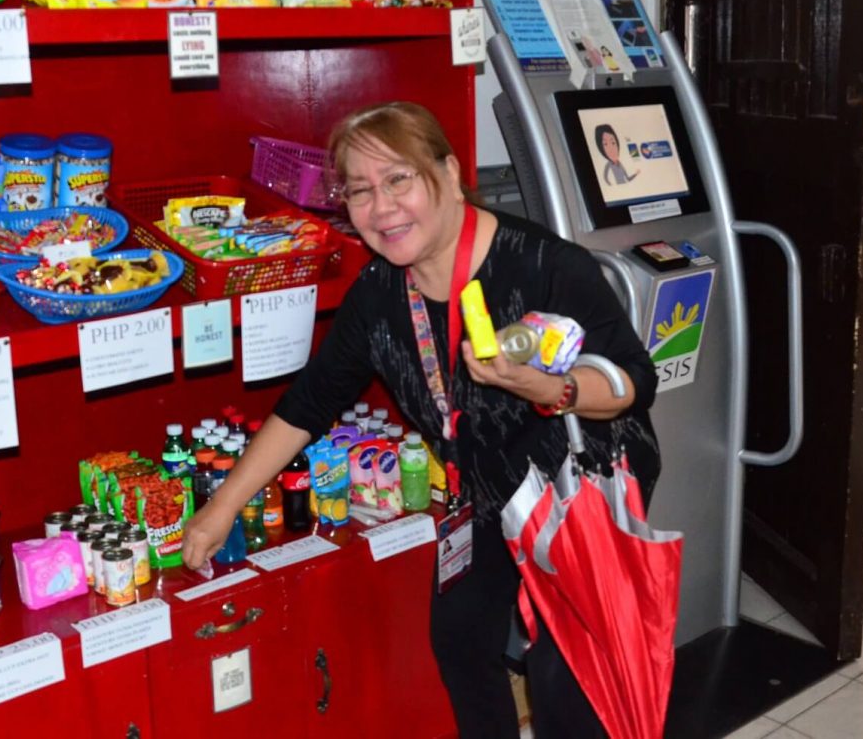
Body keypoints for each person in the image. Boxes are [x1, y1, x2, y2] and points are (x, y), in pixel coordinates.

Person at [182, 102, 659, 739]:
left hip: (579, 489)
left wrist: (547, 386)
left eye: (399, 179)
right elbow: (308, 404)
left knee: (565, 675)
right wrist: (218, 512)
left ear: (450, 172)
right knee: (460, 640)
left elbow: (632, 380)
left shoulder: (544, 266)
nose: (382, 208)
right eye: (360, 189)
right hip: (487, 491)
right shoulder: (379, 295)